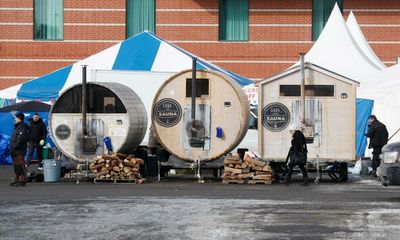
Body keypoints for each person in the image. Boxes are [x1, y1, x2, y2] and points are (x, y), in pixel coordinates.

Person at [9, 111, 30, 187]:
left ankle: (23, 179)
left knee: (20, 164)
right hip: (14, 150)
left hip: (19, 150)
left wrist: (14, 146)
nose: (14, 119)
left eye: (15, 118)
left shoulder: (22, 127)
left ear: (20, 118)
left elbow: (21, 139)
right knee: (16, 165)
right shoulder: (17, 127)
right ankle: (17, 178)